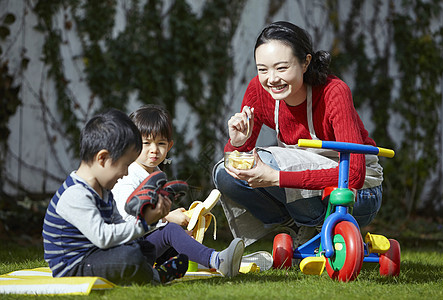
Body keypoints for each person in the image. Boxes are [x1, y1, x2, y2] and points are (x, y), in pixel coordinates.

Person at [213, 21, 384, 247]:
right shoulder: (258, 90)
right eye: (262, 69)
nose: (271, 78)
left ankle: (319, 225)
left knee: (272, 161)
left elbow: (354, 175)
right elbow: (240, 162)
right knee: (226, 172)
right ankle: (296, 226)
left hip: (359, 194)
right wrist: (238, 143)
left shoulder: (334, 92)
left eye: (281, 68)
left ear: (305, 62)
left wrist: (277, 178)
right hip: (303, 187)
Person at [42, 108, 189, 286]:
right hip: (74, 266)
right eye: (125, 164)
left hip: (95, 254)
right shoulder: (75, 194)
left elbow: (120, 226)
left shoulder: (104, 191)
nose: (126, 172)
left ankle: (147, 274)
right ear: (103, 158)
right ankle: (155, 277)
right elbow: (103, 237)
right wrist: (145, 223)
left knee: (144, 248)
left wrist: (151, 217)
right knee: (130, 256)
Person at [112, 104, 245, 277]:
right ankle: (218, 260)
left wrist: (174, 224)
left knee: (177, 236)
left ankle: (172, 266)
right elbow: (127, 219)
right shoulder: (127, 177)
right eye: (146, 143)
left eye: (161, 143)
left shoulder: (157, 174)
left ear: (169, 146)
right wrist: (166, 218)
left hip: (143, 246)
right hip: (125, 250)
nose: (154, 150)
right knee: (171, 232)